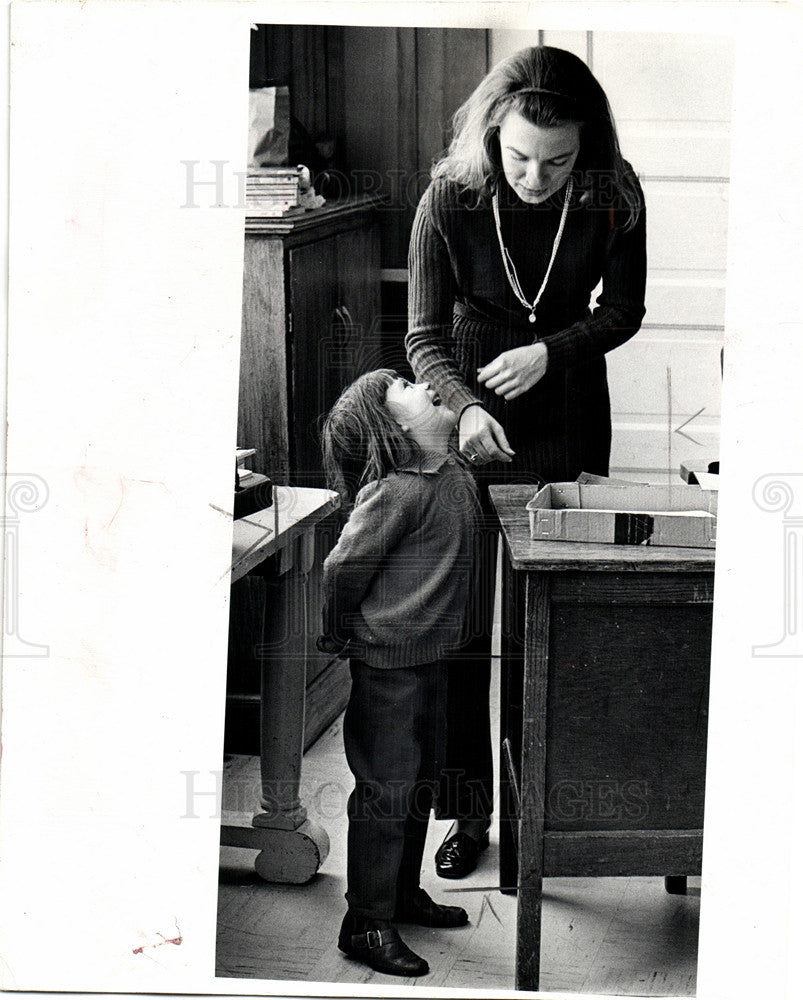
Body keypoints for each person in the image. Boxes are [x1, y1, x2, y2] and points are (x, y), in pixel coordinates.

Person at [405, 45, 647, 878]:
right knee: (466, 629)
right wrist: (464, 404)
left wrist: (551, 351)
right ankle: (467, 815)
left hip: (571, 403)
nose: (535, 177)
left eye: (557, 161)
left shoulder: (614, 194)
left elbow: (621, 311)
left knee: (548, 627)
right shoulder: (448, 197)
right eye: (517, 157)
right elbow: (422, 336)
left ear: (588, 146)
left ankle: (545, 811)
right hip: (469, 411)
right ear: (490, 134)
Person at [317, 369, 481, 977]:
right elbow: (342, 568)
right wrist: (338, 632)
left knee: (415, 785)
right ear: (396, 431)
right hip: (389, 666)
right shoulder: (397, 492)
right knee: (385, 792)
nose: (423, 385)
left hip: (433, 658)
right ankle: (365, 921)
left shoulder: (456, 477)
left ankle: (400, 897)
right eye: (406, 389)